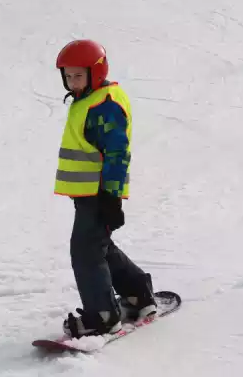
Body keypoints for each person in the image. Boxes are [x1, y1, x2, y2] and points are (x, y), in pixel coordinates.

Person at [54, 39, 157, 338]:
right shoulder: (90, 99)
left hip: (99, 194)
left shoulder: (105, 105)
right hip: (88, 193)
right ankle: (137, 292)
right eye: (68, 76)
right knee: (97, 246)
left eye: (78, 75)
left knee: (85, 251)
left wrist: (112, 198)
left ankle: (102, 317)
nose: (72, 82)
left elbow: (116, 153)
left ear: (95, 73)